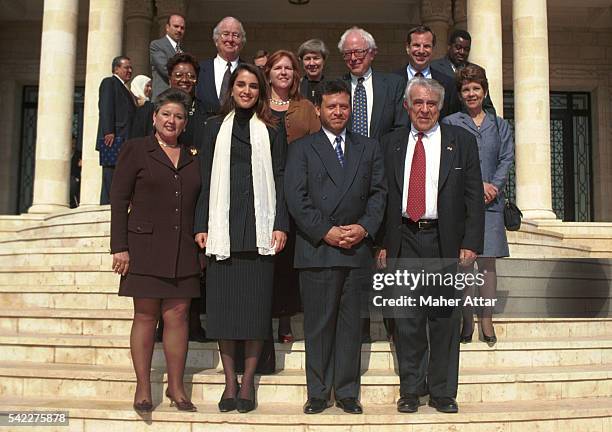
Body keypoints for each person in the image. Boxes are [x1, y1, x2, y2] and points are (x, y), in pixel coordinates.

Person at [378, 77, 484, 414]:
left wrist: (470, 243)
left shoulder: (461, 141)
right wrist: (381, 243)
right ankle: (411, 388)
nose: (425, 110)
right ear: (407, 106)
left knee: (444, 317)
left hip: (444, 240)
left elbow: (473, 197)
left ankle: (442, 391)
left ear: (440, 107)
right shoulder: (390, 142)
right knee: (407, 318)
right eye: (418, 103)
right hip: (404, 238)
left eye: (432, 104)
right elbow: (381, 196)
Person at [285, 79, 387, 415]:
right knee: (318, 325)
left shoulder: (369, 147)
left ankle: (346, 392)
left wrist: (363, 227)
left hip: (356, 249)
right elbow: (296, 198)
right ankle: (317, 392)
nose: (339, 112)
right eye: (332, 106)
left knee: (350, 326)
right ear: (319, 109)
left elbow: (378, 194)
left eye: (344, 106)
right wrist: (325, 231)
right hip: (318, 249)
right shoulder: (302, 148)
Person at [194, 64, 289, 413]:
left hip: (260, 229)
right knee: (222, 311)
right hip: (223, 229)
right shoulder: (213, 128)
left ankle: (248, 382)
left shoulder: (273, 130)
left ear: (260, 91)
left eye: (252, 86)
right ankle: (229, 381)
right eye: (241, 85)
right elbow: (204, 179)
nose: (246, 91)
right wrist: (200, 224)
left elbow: (280, 178)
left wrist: (280, 224)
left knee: (254, 311)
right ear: (231, 89)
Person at [110, 88, 201, 414]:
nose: (172, 121)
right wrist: (119, 247)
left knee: (177, 316)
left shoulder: (194, 153)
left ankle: (177, 388)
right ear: (154, 117)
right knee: (146, 316)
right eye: (166, 114)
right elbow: (119, 200)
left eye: (178, 116)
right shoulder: (136, 149)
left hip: (184, 248)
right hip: (144, 246)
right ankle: (144, 387)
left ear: (185, 121)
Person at [443, 64, 514, 346]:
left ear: (484, 92)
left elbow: (506, 158)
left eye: (476, 88)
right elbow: (450, 163)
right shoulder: (450, 123)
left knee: (487, 265)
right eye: (466, 89)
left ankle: (487, 317)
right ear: (459, 94)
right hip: (462, 204)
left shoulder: (500, 125)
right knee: (464, 264)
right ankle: (467, 317)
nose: (471, 93)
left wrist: (493, 186)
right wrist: (475, 187)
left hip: (492, 204)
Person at [265, 49, 320, 343]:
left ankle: (285, 319)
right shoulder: (259, 105)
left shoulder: (306, 107)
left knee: (288, 257)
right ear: (269, 74)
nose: (284, 72)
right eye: (278, 67)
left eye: (289, 68)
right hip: (263, 187)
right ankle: (264, 316)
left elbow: (316, 146)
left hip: (297, 188)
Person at [339, 27, 407, 142]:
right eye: (347, 53)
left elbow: (401, 127)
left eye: (359, 52)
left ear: (372, 53)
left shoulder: (393, 84)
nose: (353, 58)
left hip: (383, 156)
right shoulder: (336, 86)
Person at [395, 25, 461, 119]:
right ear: (407, 48)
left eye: (426, 46)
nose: (421, 51)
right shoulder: (392, 82)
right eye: (416, 45)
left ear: (433, 49)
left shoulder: (448, 84)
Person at [96, 56, 136, 205]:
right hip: (113, 138)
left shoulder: (124, 88)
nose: (129, 71)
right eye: (126, 67)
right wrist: (108, 131)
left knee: (120, 171)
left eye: (131, 68)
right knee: (110, 172)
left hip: (124, 138)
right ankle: (107, 204)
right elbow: (106, 107)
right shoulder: (109, 83)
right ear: (116, 69)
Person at [431, 30, 495, 112]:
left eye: (466, 49)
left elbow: (487, 105)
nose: (462, 52)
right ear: (449, 47)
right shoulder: (434, 68)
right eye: (458, 48)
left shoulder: (476, 71)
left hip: (470, 121)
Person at [195, 16, 246, 116]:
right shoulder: (199, 69)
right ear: (216, 40)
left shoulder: (249, 71)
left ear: (242, 42)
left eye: (236, 35)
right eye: (225, 34)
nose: (230, 39)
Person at [150, 13, 186, 99]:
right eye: (176, 26)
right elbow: (165, 68)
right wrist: (185, 79)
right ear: (167, 27)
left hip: (179, 98)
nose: (179, 30)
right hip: (163, 97)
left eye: (182, 28)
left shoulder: (182, 51)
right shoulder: (157, 45)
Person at [297, 39, 329, 103]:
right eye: (307, 59)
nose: (312, 63)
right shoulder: (296, 87)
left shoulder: (332, 87)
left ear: (324, 61)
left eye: (316, 58)